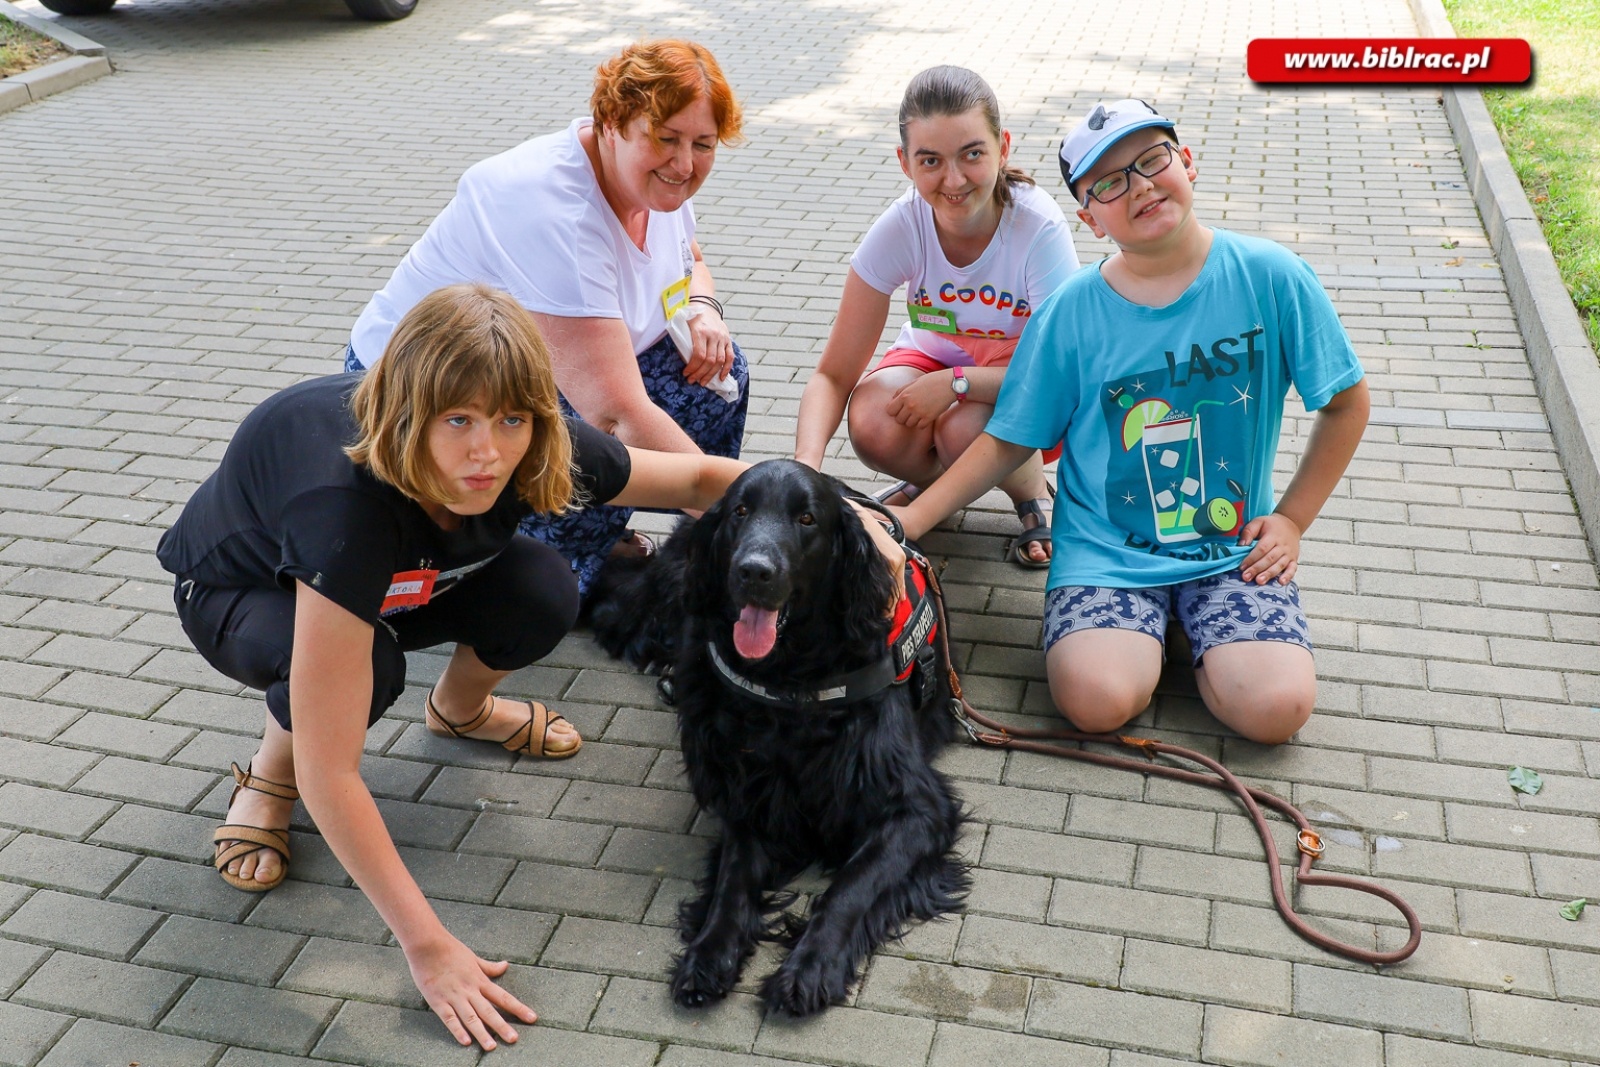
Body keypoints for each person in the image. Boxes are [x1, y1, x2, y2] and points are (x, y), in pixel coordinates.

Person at [157, 284, 747, 1051]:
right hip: (244, 592)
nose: (488, 452)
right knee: (362, 671)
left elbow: (698, 480)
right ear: (410, 415)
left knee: (545, 590)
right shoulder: (342, 504)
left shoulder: (537, 444)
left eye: (511, 419)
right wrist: (429, 950)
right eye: (458, 420)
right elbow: (336, 773)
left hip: (398, 579)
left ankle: (460, 710)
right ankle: (269, 777)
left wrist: (853, 513)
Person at [898, 99, 1370, 745]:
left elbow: (1346, 403)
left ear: (1188, 162)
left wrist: (1291, 519)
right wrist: (907, 523)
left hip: (1232, 549)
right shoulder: (1069, 312)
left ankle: (1191, 630)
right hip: (1105, 553)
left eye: (1152, 160)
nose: (1141, 185)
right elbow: (1011, 438)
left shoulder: (1273, 276)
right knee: (1096, 700)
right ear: (1089, 217)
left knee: (1276, 710)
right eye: (1110, 182)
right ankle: (1152, 634)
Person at [347, 40, 748, 595]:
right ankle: (548, 565)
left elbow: (688, 256)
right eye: (666, 139)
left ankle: (685, 542)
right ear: (611, 123)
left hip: (523, 366)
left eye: (703, 144)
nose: (685, 164)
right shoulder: (555, 209)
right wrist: (763, 518)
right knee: (583, 441)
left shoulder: (657, 182)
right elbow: (615, 417)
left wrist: (702, 307)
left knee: (718, 375)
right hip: (417, 395)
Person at [794, 66, 1080, 569]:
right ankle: (942, 485)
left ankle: (1031, 493)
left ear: (1003, 146)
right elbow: (833, 374)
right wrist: (802, 477)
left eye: (972, 154)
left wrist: (957, 383)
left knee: (964, 427)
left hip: (1022, 381)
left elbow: (1061, 372)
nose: (953, 180)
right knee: (873, 420)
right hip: (933, 361)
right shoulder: (903, 223)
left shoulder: (1038, 226)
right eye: (931, 160)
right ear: (905, 163)